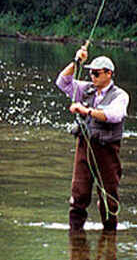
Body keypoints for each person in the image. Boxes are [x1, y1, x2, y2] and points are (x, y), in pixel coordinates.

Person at [55, 45, 129, 231]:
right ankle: (76, 239)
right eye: (91, 73)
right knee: (78, 194)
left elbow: (114, 115)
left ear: (109, 74)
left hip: (107, 151)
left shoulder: (120, 96)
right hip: (84, 147)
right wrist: (76, 61)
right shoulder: (85, 89)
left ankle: (110, 235)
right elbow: (63, 82)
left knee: (108, 197)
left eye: (97, 73)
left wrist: (86, 110)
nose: (92, 77)